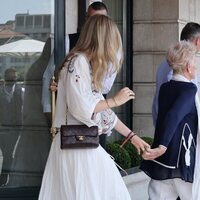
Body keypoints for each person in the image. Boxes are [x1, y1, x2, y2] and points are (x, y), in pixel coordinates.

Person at [38, 15, 150, 200]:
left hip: (79, 146)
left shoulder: (82, 64)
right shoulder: (78, 62)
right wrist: (115, 100)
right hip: (77, 147)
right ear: (103, 40)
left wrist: (132, 136)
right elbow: (82, 108)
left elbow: (103, 112)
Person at [42, 1, 118, 148]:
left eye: (101, 22)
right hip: (72, 119)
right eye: (93, 21)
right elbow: (49, 75)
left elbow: (102, 88)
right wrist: (49, 109)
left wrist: (131, 136)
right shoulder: (75, 56)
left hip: (96, 112)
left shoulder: (112, 50)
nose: (97, 27)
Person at [140, 41, 200, 200]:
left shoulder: (165, 88)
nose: (196, 66)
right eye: (195, 62)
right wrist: (162, 146)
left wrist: (161, 146)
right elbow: (174, 115)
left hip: (162, 162)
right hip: (182, 161)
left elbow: (165, 118)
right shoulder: (189, 90)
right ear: (188, 66)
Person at [152, 22, 200, 127]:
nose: (195, 67)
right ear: (198, 41)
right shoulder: (178, 67)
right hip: (180, 130)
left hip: (172, 127)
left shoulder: (164, 64)